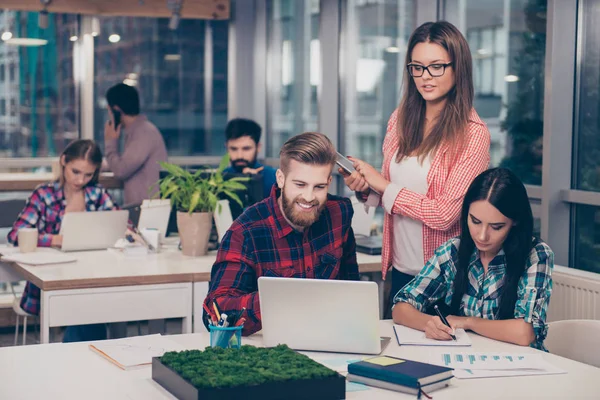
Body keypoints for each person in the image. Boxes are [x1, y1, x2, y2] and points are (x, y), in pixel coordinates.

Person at [342, 21, 491, 315]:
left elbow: (445, 214)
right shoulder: (400, 119)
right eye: (417, 67)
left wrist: (382, 185)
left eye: (436, 66)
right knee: (394, 357)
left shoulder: (473, 134)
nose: (425, 77)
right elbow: (394, 192)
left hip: (443, 277)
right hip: (400, 267)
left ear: (457, 68)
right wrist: (366, 189)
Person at [204, 132, 359, 336]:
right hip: (272, 349)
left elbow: (352, 289)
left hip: (330, 337)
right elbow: (216, 314)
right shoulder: (245, 232)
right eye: (300, 184)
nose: (309, 197)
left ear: (329, 182)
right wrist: (282, 297)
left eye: (319, 187)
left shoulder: (339, 212)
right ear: (281, 179)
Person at [393, 168, 554, 350]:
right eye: (475, 221)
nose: (482, 236)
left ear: (515, 222)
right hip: (466, 360)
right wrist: (430, 323)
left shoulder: (536, 255)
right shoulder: (453, 250)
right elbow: (400, 309)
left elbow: (525, 333)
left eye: (496, 226)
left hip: (521, 366)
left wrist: (468, 322)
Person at [7, 140, 120, 342]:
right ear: (63, 162)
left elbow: (119, 226)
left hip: (93, 276)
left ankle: (79, 357)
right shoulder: (44, 195)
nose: (80, 180)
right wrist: (55, 240)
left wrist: (128, 233)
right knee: (88, 308)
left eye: (88, 175)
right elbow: (16, 235)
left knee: (92, 303)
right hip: (53, 280)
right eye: (75, 172)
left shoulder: (98, 195)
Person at [104, 83, 168, 205]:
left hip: (148, 211)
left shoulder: (143, 132)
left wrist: (110, 141)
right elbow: (126, 162)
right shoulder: (135, 131)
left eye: (109, 110)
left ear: (116, 110)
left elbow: (121, 170)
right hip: (143, 208)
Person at [223, 118, 277, 200]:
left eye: (246, 148)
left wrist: (254, 184)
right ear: (226, 147)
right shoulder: (220, 179)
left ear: (258, 147)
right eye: (233, 149)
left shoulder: (274, 178)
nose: (240, 156)